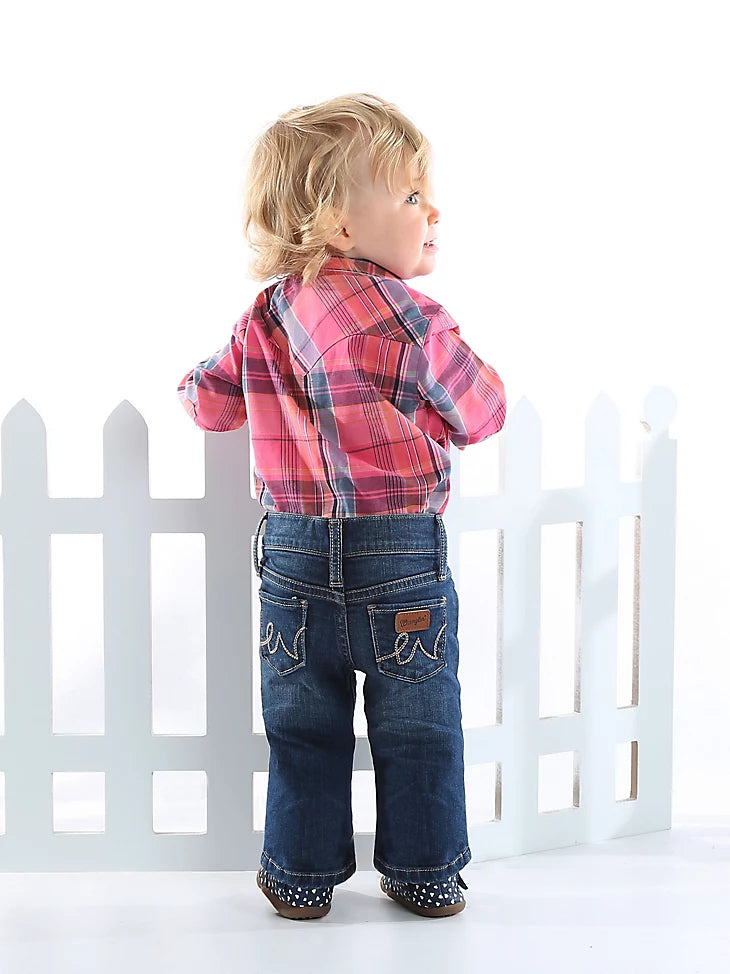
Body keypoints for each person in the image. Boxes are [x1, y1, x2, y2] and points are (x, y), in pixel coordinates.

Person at [177, 93, 506, 920]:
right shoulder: (413, 317)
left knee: (301, 726)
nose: (433, 210)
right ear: (340, 226)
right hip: (398, 556)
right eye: (409, 196)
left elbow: (209, 403)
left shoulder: (268, 313)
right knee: (420, 725)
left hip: (291, 554)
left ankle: (297, 876)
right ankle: (426, 870)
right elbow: (482, 414)